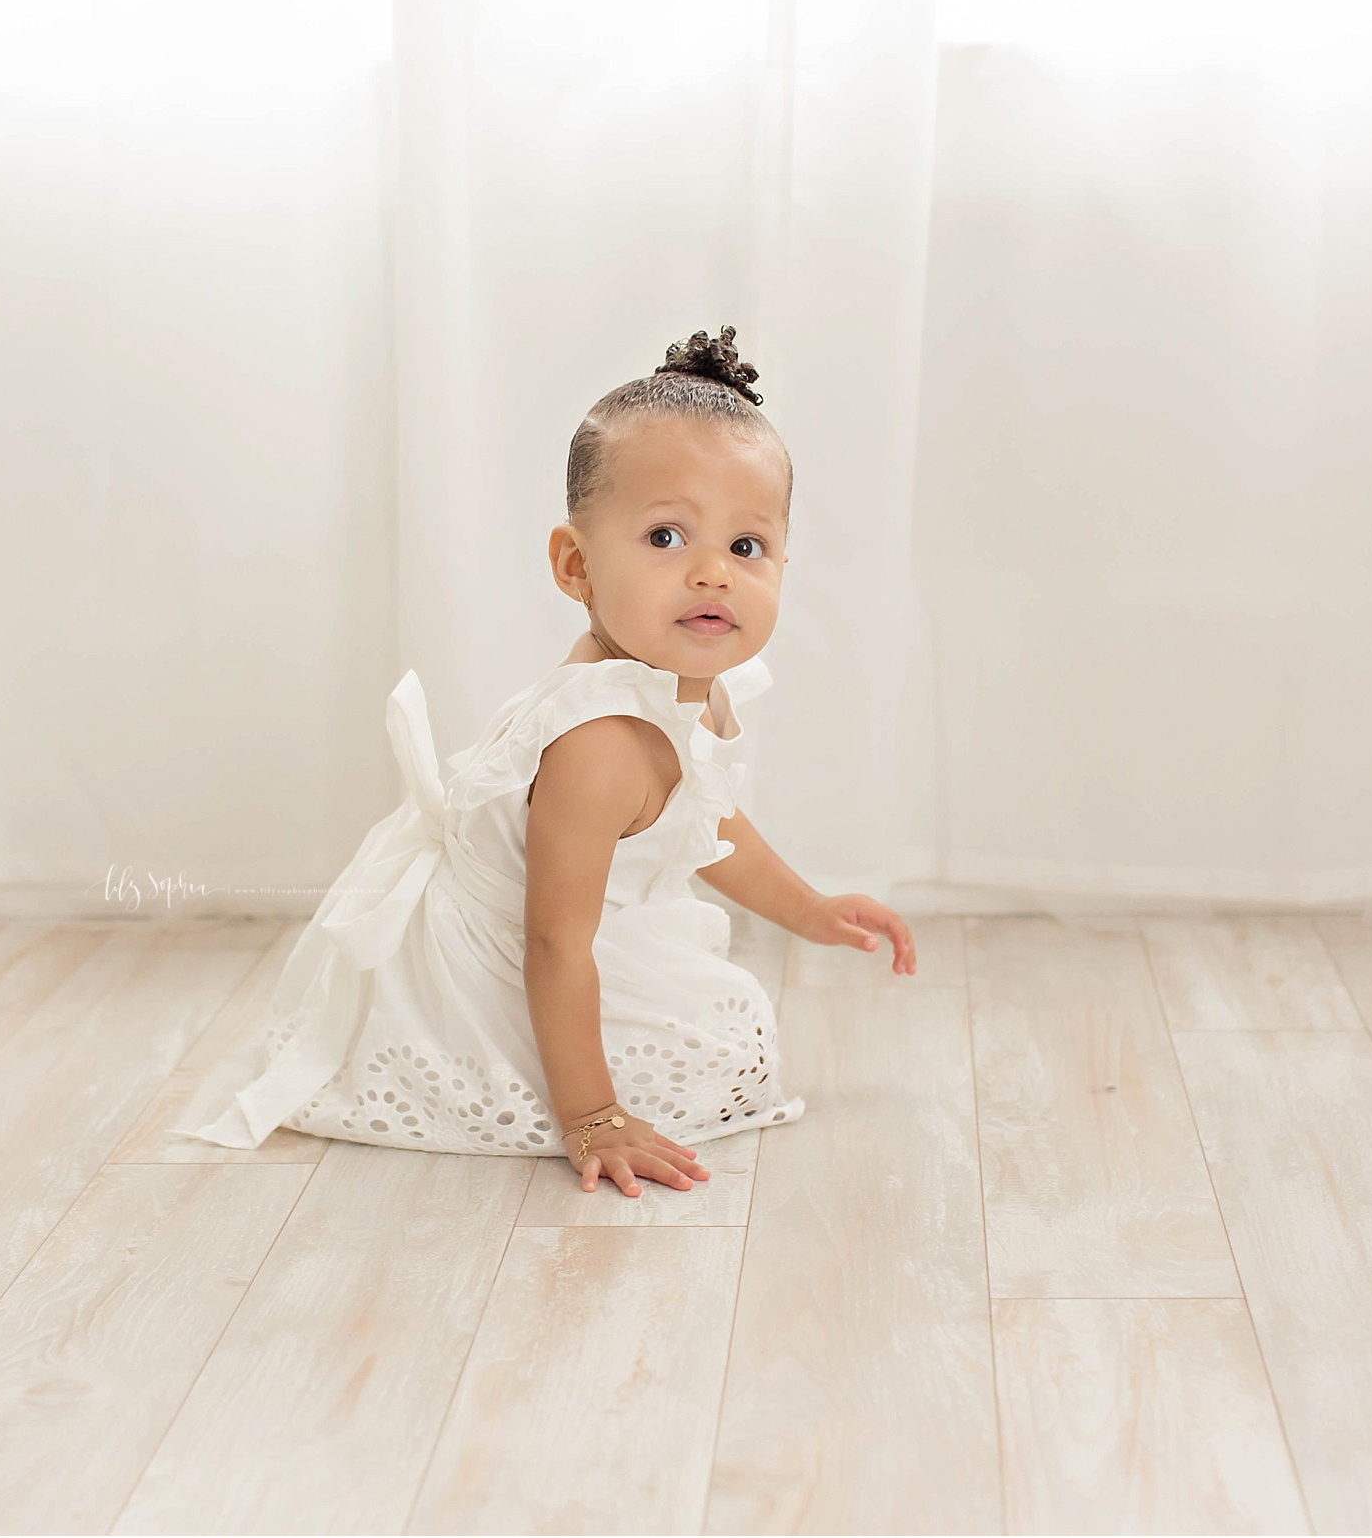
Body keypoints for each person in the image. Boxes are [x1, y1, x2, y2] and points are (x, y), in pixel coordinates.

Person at [166, 326, 917, 1197]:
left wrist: (812, 910)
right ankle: (512, 1071)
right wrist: (591, 1115)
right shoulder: (597, 744)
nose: (713, 573)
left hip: (569, 932)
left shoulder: (680, 678)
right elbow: (554, 942)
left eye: (745, 548)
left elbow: (705, 820)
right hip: (502, 953)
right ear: (576, 564)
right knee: (720, 1039)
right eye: (667, 537)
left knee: (729, 1022)